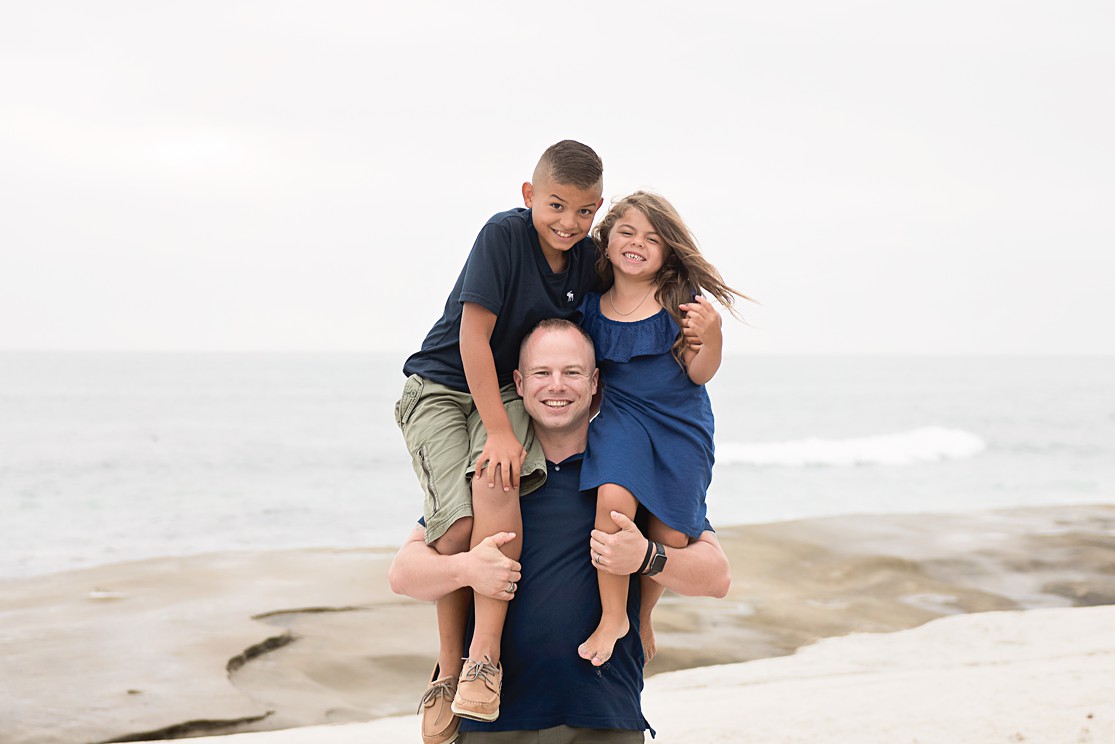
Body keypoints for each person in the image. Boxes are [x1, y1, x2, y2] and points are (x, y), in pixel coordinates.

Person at [389, 319, 731, 744]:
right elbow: (403, 573)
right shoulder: (492, 473)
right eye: (542, 373)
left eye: (571, 373)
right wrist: (466, 569)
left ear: (595, 384)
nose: (557, 386)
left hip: (605, 719)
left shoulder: (625, 477)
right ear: (518, 381)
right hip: (491, 723)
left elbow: (716, 576)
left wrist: (646, 556)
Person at [394, 141, 605, 727]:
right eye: (556, 206)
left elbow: (630, 296)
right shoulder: (503, 236)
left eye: (584, 211)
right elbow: (471, 340)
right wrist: (498, 430)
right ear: (529, 195)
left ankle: (483, 660)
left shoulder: (588, 257)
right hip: (441, 386)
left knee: (498, 477)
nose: (569, 223)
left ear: (598, 209)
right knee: (457, 523)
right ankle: (446, 668)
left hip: (505, 388)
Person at [576, 191, 747, 668]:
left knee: (671, 534)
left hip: (680, 424)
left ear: (668, 251)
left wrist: (712, 337)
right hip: (623, 418)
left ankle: (643, 611)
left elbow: (699, 372)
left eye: (652, 238)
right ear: (606, 240)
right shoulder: (589, 307)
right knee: (613, 499)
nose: (637, 244)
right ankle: (614, 616)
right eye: (627, 232)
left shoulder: (680, 301)